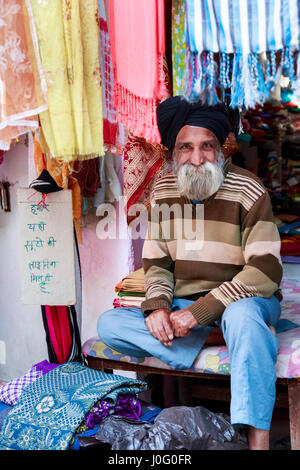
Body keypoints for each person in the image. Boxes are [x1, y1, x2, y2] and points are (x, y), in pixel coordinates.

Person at [98, 96, 283, 450]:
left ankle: (258, 440)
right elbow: (158, 262)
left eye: (207, 147)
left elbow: (266, 269)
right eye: (186, 148)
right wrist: (158, 309)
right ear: (173, 151)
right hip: (187, 305)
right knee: (110, 325)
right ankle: (228, 336)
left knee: (243, 317)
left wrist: (199, 314)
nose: (197, 159)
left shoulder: (249, 189)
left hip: (247, 300)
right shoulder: (165, 188)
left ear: (222, 149)